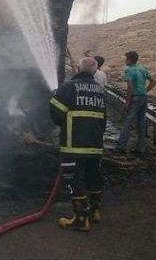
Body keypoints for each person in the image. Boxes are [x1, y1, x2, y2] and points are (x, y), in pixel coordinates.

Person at [49, 57, 106, 232]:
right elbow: (103, 121)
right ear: (94, 71)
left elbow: (56, 115)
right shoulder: (99, 90)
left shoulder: (69, 87)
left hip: (73, 145)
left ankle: (80, 219)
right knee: (93, 176)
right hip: (95, 145)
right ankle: (95, 211)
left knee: (74, 180)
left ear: (78, 69)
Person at [115, 51, 156, 158]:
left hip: (135, 98)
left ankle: (121, 146)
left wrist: (127, 102)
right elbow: (153, 81)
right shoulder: (143, 69)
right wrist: (145, 90)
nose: (125, 61)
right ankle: (141, 148)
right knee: (141, 122)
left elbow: (129, 87)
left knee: (128, 121)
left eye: (126, 59)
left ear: (129, 59)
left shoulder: (129, 70)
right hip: (143, 98)